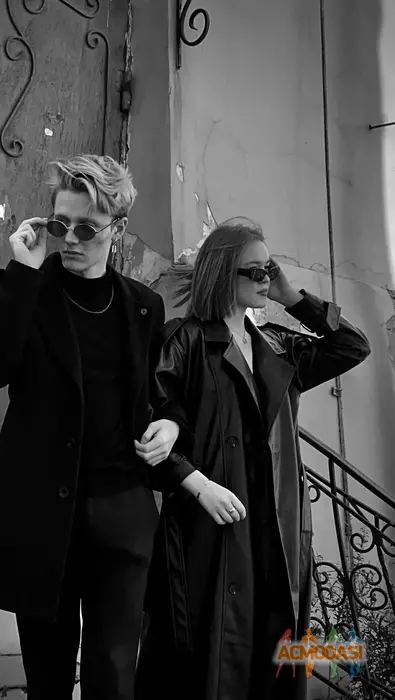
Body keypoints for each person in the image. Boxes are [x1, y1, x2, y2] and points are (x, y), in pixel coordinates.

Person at [0, 154, 180, 700]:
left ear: (117, 229)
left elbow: (160, 396)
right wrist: (22, 274)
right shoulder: (23, 289)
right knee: (48, 674)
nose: (71, 239)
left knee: (114, 673)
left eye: (87, 228)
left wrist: (171, 424)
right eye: (61, 225)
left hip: (120, 512)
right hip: (43, 515)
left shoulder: (144, 307)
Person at [133, 218, 371, 700]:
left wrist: (292, 297)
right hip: (210, 526)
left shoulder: (278, 346)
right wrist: (195, 482)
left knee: (271, 654)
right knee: (203, 660)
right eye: (256, 271)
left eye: (270, 269)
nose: (266, 279)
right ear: (224, 273)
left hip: (276, 525)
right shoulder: (186, 340)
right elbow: (154, 428)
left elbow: (352, 346)